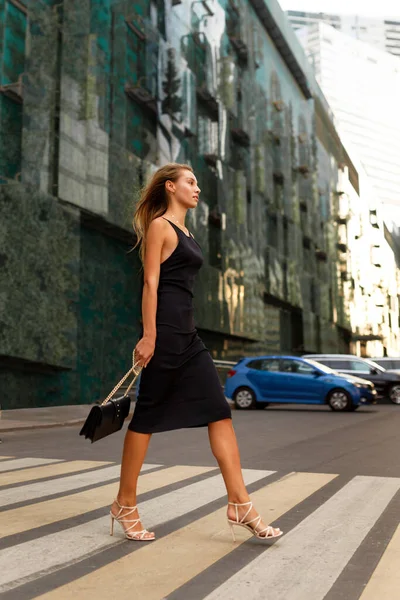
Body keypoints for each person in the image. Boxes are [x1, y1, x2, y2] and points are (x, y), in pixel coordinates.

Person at [109, 163, 282, 543]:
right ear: (170, 187)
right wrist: (149, 336)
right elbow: (151, 283)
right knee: (146, 419)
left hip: (189, 338)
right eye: (190, 181)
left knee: (220, 412)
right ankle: (125, 503)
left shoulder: (187, 231)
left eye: (197, 183)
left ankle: (240, 503)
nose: (197, 188)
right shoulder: (160, 227)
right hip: (166, 335)